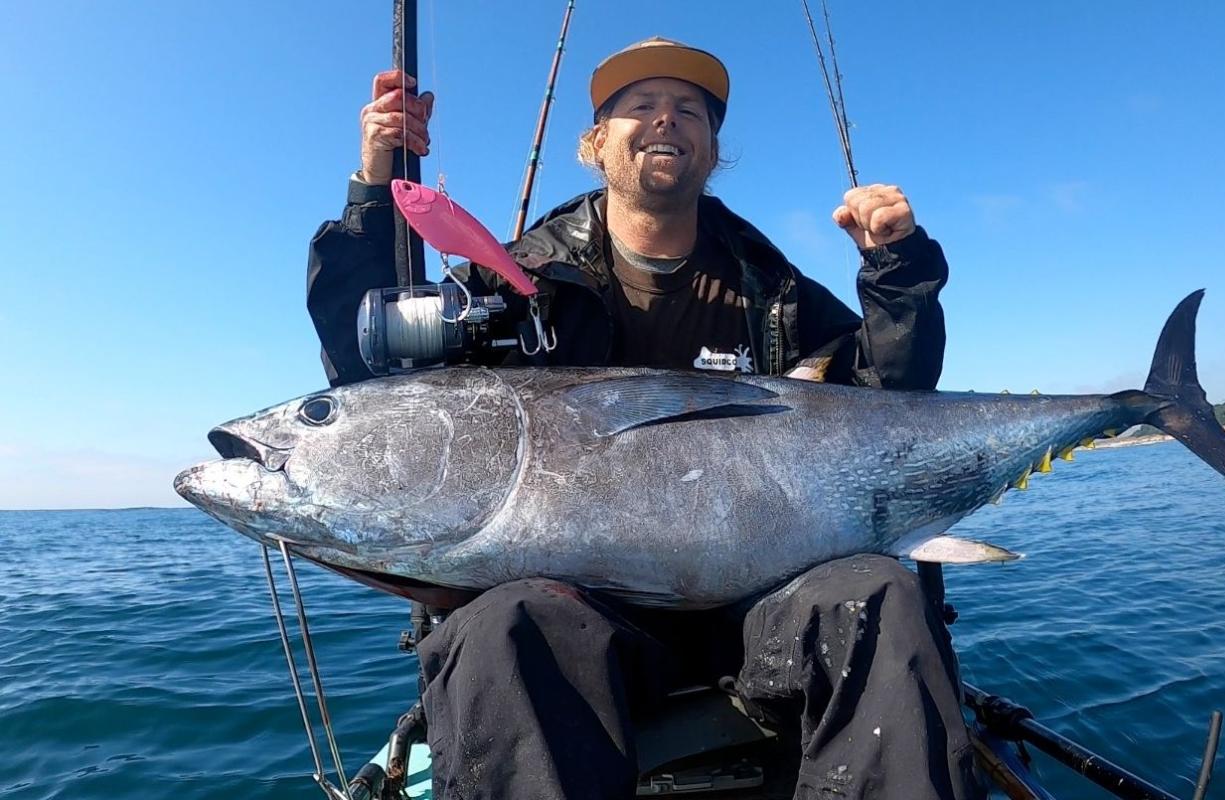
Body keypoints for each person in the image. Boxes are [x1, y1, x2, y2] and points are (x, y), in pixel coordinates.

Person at [307, 37, 982, 800]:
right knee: (502, 628)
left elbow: (886, 398)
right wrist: (375, 186)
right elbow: (375, 378)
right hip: (583, 615)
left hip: (764, 602)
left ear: (714, 148)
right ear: (596, 143)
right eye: (640, 105)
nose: (668, 119)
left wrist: (898, 272)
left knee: (881, 595)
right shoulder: (512, 283)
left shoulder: (773, 288)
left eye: (690, 109)